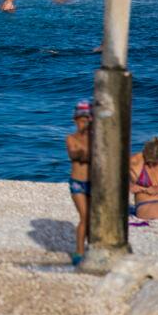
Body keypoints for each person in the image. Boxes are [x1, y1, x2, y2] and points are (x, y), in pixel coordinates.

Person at [66, 100, 92, 262]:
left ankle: (92, 247)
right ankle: (79, 251)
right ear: (75, 121)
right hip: (77, 182)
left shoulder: (96, 138)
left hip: (93, 182)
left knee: (93, 218)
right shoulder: (71, 138)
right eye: (80, 120)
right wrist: (85, 152)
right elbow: (74, 155)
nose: (83, 124)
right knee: (85, 216)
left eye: (86, 120)